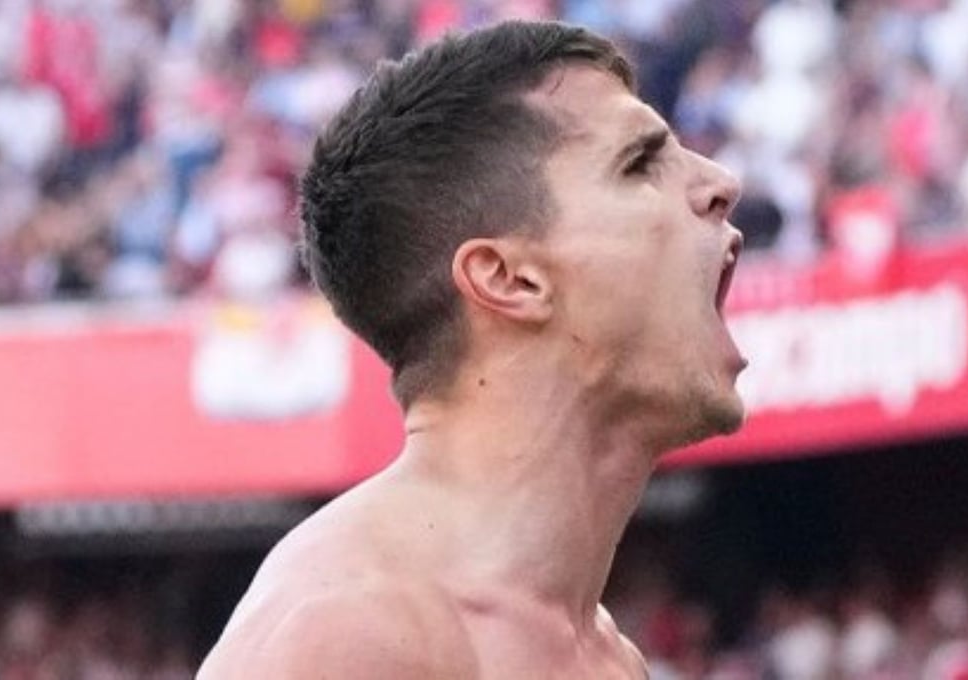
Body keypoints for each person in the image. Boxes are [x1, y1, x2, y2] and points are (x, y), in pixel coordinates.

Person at [198, 19, 746, 679]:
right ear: (509, 279)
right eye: (638, 163)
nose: (721, 182)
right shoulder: (347, 634)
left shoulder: (606, 657)